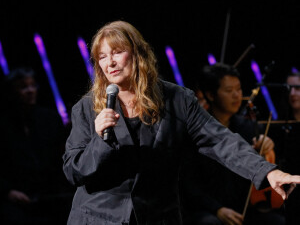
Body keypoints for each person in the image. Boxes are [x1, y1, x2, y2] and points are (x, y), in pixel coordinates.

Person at [62, 20, 300, 225]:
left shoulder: (177, 100)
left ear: (138, 53)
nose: (109, 63)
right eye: (102, 56)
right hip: (97, 217)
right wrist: (99, 141)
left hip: (157, 217)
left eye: (116, 52)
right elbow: (74, 171)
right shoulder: (87, 108)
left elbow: (221, 140)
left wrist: (268, 172)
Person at [180, 63, 286, 225]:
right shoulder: (193, 132)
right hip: (208, 210)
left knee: (276, 221)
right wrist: (217, 209)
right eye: (229, 91)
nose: (237, 96)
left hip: (244, 209)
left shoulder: (248, 128)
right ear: (211, 95)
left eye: (239, 89)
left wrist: (268, 150)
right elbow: (188, 185)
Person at [0, 67, 73, 225]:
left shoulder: (49, 119)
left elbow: (61, 156)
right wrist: (7, 191)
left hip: (51, 192)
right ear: (12, 91)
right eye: (23, 87)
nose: (30, 91)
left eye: (33, 85)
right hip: (18, 194)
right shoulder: (3, 125)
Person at [268, 71, 300, 225]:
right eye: (289, 88)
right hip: (284, 189)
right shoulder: (278, 127)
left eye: (297, 88)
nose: (293, 93)